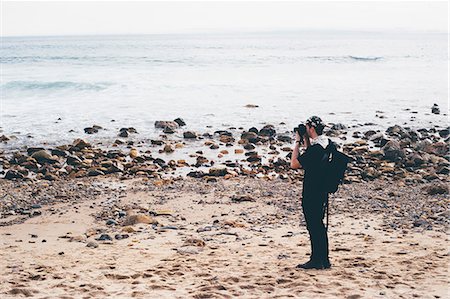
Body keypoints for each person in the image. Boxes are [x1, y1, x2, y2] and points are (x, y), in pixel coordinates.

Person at [290, 116, 331, 270]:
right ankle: (324, 259)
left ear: (311, 128)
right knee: (319, 226)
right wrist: (306, 140)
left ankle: (316, 260)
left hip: (312, 191)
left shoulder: (316, 149)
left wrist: (297, 142)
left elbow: (294, 164)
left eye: (307, 127)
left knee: (313, 226)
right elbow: (312, 158)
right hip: (322, 190)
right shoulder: (327, 144)